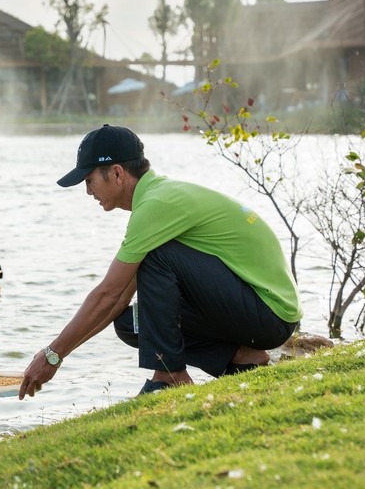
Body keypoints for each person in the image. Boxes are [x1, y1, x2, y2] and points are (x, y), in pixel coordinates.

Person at [18, 124, 302, 399]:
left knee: (155, 255)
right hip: (255, 313)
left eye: (89, 180)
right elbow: (116, 303)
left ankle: (169, 376)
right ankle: (242, 358)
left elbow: (109, 292)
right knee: (131, 323)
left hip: (270, 313)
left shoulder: (157, 205)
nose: (88, 191)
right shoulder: (156, 199)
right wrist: (58, 356)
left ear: (116, 173)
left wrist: (53, 354)